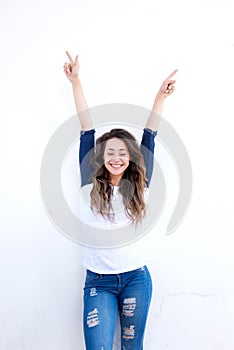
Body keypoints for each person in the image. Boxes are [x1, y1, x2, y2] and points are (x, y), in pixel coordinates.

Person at [63, 51, 177, 350]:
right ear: (101, 156)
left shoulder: (140, 184)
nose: (116, 158)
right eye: (110, 152)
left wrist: (159, 98)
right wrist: (76, 81)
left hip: (136, 280)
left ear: (130, 158)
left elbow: (149, 135)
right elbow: (87, 129)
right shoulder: (89, 183)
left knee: (131, 347)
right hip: (98, 283)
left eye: (122, 153)